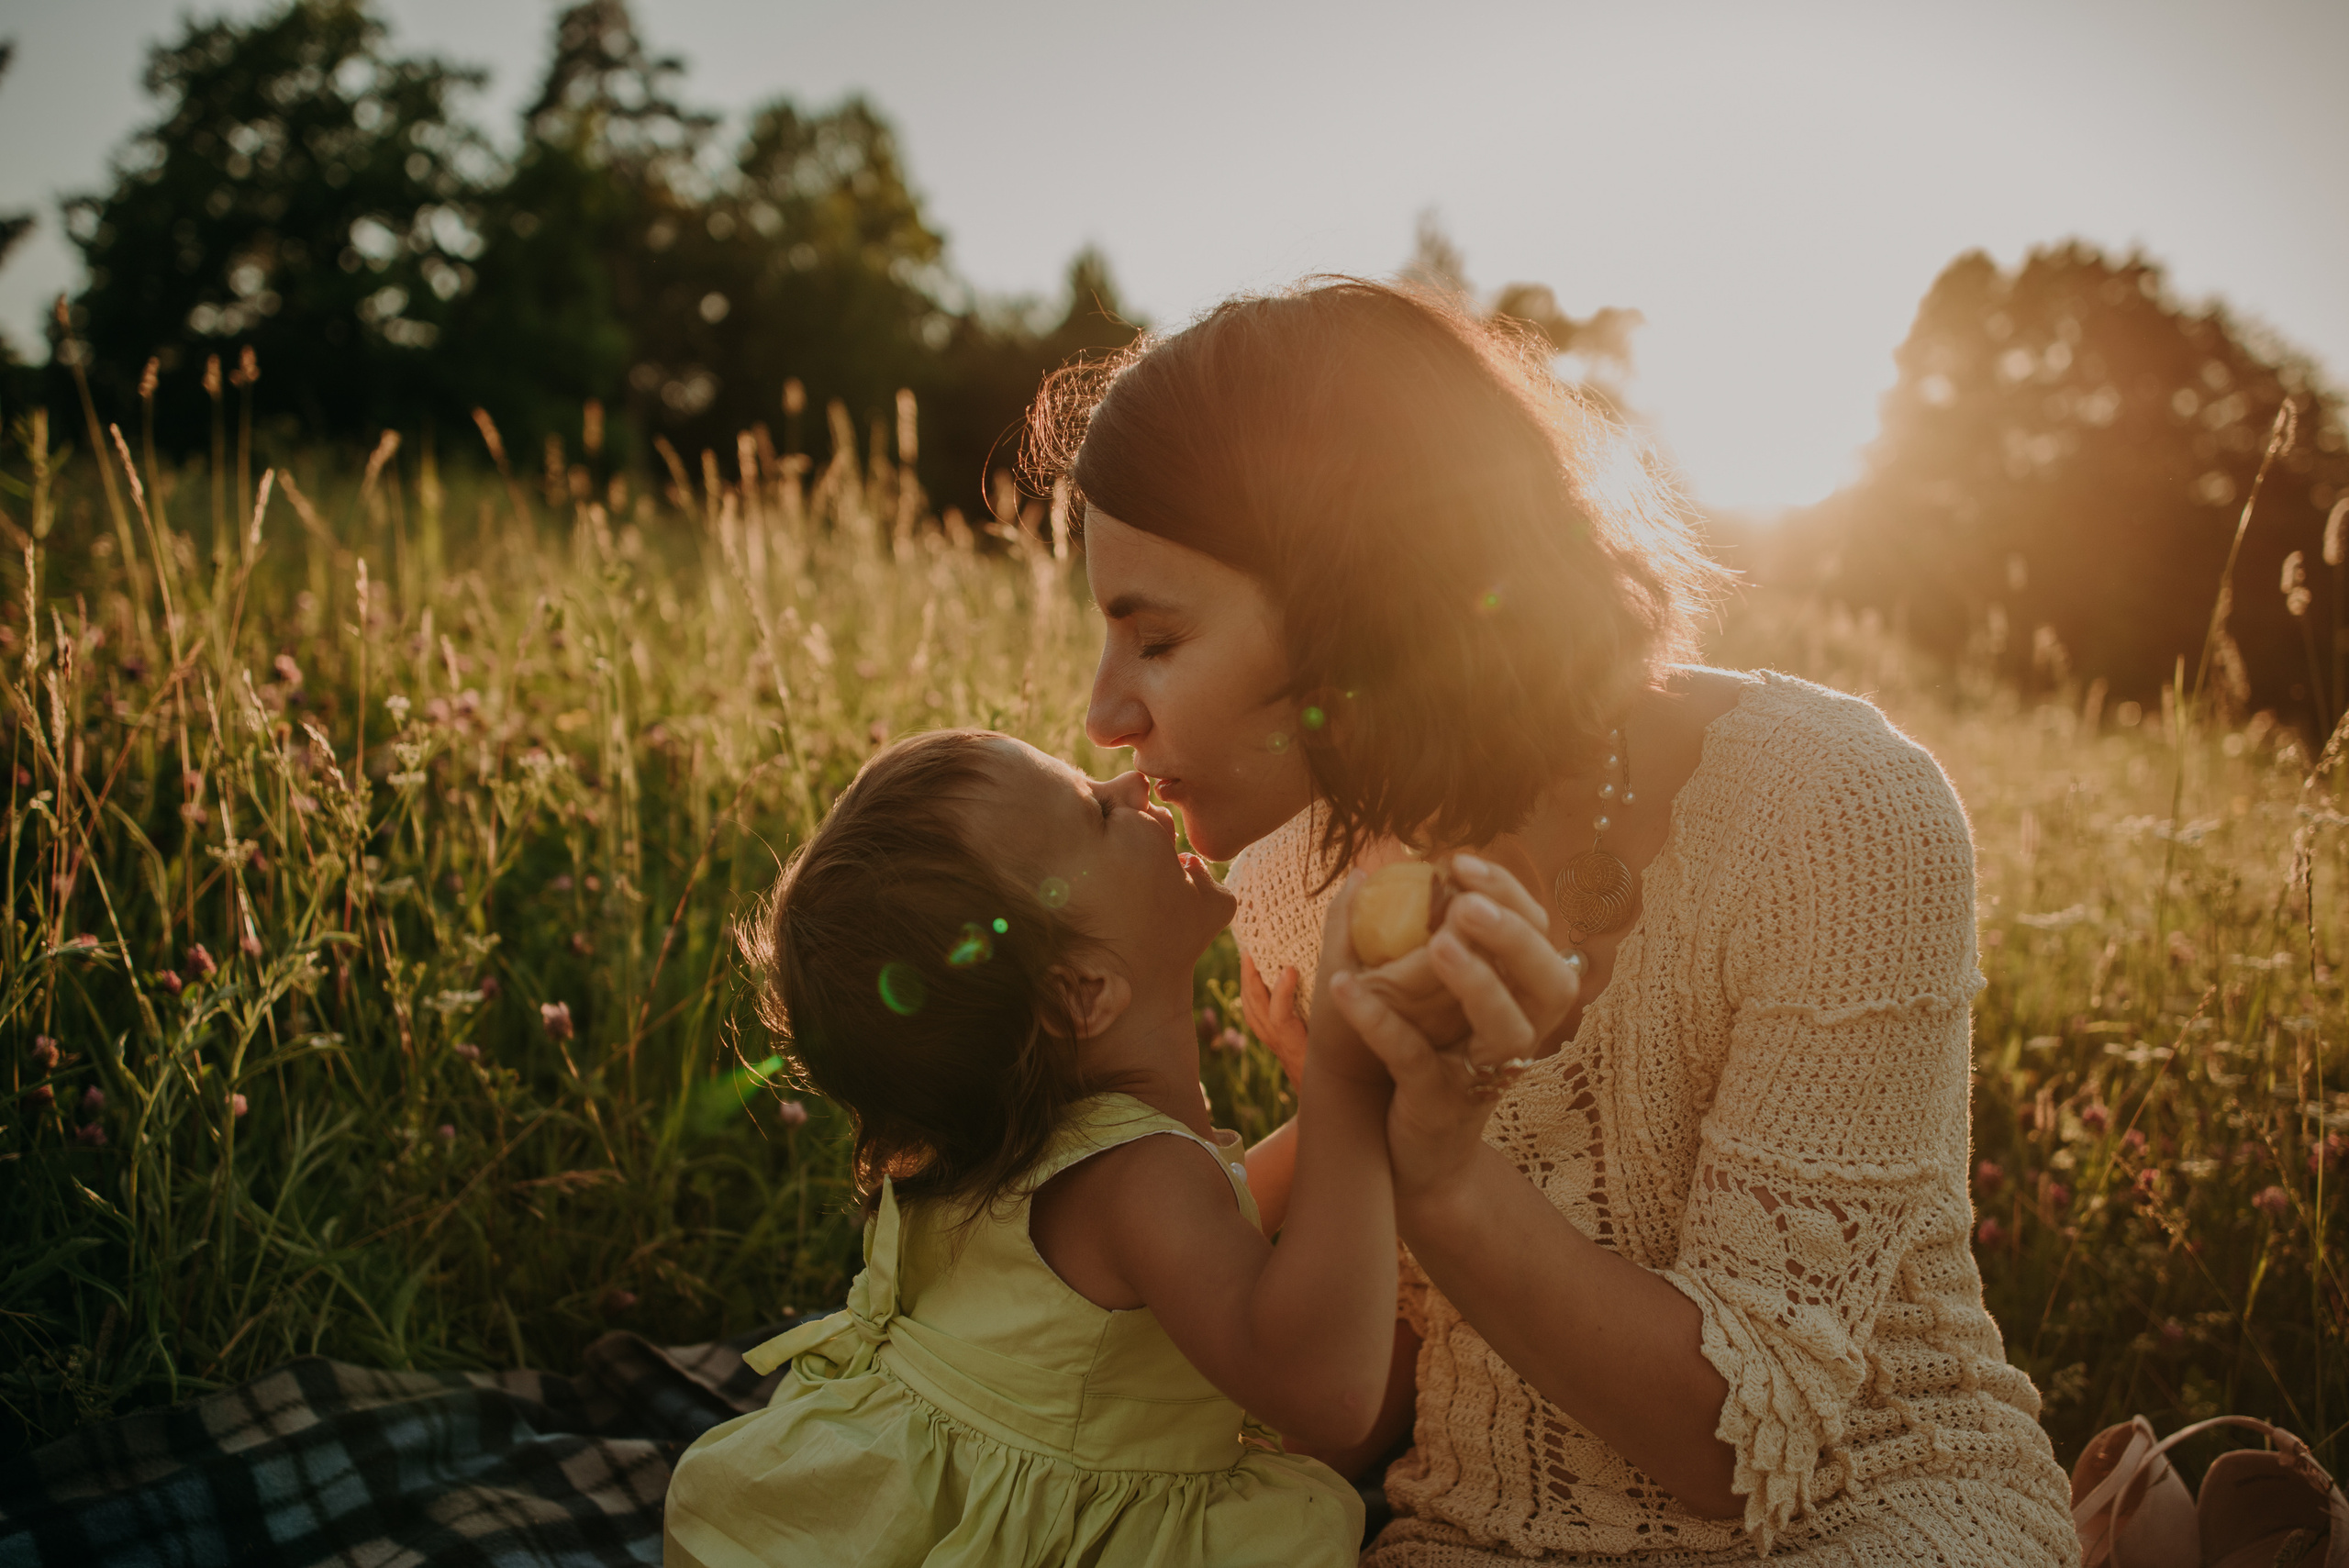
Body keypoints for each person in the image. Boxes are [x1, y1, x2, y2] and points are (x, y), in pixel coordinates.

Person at [1024, 279, 2081, 1564]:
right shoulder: (1295, 880)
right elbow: (1391, 1384)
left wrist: (1444, 1172)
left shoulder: (1838, 815)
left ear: (1358, 603)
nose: (1104, 715)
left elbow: (1740, 1448)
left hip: (1868, 1515)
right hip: (1472, 1533)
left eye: (1158, 639)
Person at [662, 728, 1517, 1568]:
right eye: (1096, 816)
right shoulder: (1141, 1178)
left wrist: (1325, 1123)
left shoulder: (1029, 1135)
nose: (1131, 787)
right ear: (1082, 995)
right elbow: (1324, 1389)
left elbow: (1192, 1241)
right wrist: (1345, 1082)